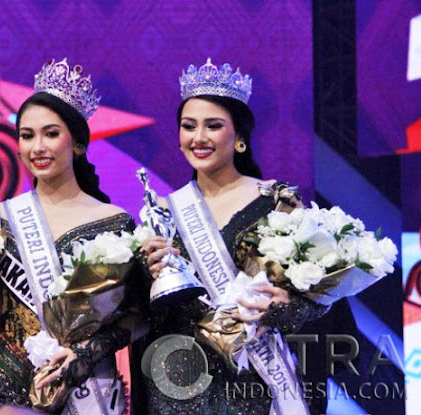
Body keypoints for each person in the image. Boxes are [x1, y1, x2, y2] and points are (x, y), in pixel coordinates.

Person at [138, 58, 328, 414]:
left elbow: (318, 297)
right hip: (180, 381)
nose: (198, 138)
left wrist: (282, 308)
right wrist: (147, 272)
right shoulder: (164, 211)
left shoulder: (278, 202)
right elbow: (144, 312)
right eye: (188, 126)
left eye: (213, 126)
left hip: (255, 375)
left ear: (239, 137)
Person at [0, 59, 147, 414]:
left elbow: (139, 315)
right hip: (5, 392)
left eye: (51, 134)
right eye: (27, 135)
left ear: (77, 143)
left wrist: (86, 353)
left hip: (87, 389)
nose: (37, 147)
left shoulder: (115, 222)